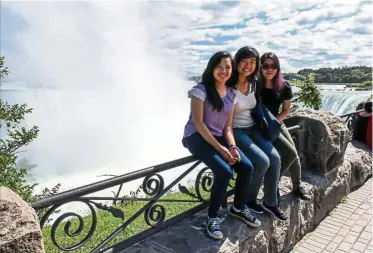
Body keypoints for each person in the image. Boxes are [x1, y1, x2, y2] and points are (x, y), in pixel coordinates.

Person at [182, 51, 261, 240]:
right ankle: (212, 217)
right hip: (197, 136)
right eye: (219, 67)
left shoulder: (231, 94)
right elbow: (199, 123)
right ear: (211, 68)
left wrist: (232, 147)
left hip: (219, 136)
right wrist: (221, 149)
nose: (224, 71)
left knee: (247, 167)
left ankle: (238, 208)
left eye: (227, 67)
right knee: (224, 171)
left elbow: (227, 127)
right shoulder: (200, 91)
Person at [228, 46, 288, 221]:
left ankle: (271, 202)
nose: (248, 65)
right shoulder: (229, 86)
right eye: (244, 61)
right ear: (237, 62)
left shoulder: (254, 82)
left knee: (275, 158)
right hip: (236, 130)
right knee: (262, 161)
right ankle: (247, 200)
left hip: (253, 128)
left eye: (252, 62)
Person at [259, 52, 311, 201]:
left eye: (273, 66)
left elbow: (286, 109)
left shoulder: (284, 86)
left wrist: (276, 121)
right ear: (260, 68)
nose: (270, 69)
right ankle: (271, 184)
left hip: (276, 123)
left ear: (278, 68)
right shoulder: (256, 86)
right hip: (260, 126)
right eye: (266, 66)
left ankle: (297, 185)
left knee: (293, 152)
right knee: (290, 154)